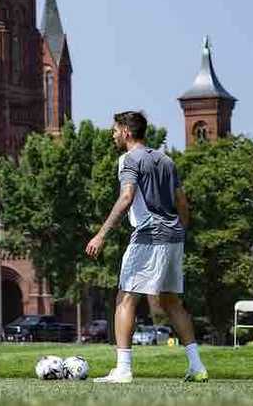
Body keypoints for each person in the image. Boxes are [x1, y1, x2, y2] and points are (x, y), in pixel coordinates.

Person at [86, 111, 207, 384]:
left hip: (148, 235)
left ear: (127, 131)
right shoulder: (166, 159)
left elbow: (126, 196)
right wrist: (180, 232)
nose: (113, 134)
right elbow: (183, 204)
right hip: (174, 236)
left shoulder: (129, 159)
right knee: (171, 301)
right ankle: (197, 366)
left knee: (125, 298)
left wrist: (101, 234)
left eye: (115, 130)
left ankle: (123, 369)